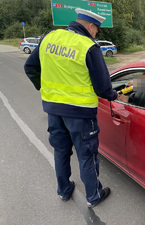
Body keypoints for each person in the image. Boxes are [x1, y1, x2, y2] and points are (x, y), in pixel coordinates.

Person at [24, 8, 118, 208]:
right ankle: (94, 196)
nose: (96, 34)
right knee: (87, 154)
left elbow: (29, 67)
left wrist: (45, 89)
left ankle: (64, 191)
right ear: (91, 26)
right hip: (81, 114)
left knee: (60, 151)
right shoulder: (88, 46)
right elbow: (103, 88)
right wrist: (115, 95)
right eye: (96, 30)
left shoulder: (49, 38)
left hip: (54, 111)